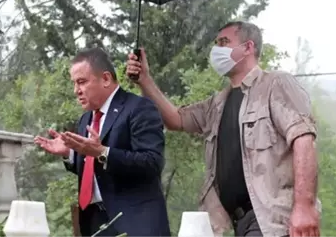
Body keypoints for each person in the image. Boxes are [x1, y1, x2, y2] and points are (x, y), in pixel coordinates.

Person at [125, 21, 321, 237]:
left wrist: (305, 206)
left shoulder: (276, 84)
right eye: (216, 44)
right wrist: (144, 80)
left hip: (272, 221)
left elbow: (303, 139)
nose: (216, 50)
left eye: (224, 42)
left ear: (248, 47)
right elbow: (176, 120)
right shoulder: (217, 104)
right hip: (239, 222)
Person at [34, 48, 171, 237]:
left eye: (82, 82)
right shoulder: (85, 120)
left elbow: (152, 162)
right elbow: (93, 171)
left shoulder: (140, 108)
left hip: (135, 224)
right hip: (94, 223)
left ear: (106, 79)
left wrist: (102, 152)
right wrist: (70, 154)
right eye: (74, 83)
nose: (76, 91)